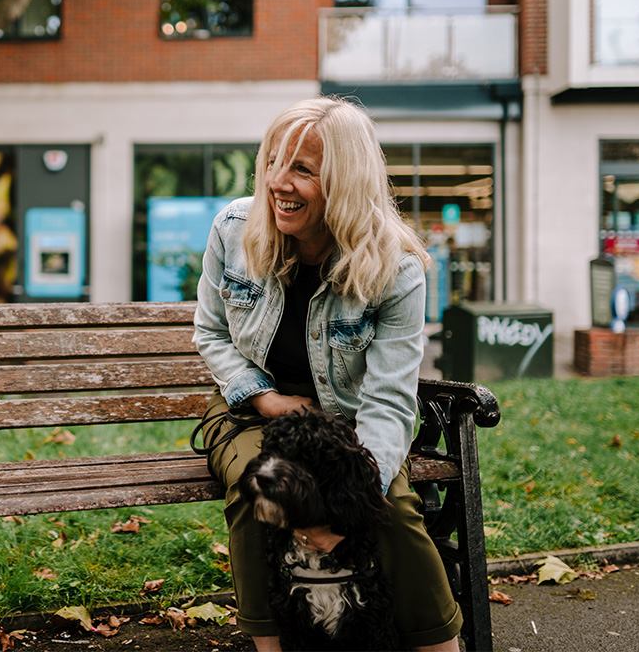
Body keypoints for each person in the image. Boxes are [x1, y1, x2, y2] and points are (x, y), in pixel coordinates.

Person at [192, 97, 462, 652]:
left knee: (391, 514)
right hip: (250, 413)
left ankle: (439, 645)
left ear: (345, 181)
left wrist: (354, 500)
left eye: (302, 170)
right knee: (257, 488)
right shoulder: (234, 230)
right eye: (272, 162)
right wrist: (266, 399)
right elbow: (212, 335)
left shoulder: (396, 268)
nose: (277, 183)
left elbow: (388, 400)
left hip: (346, 425)